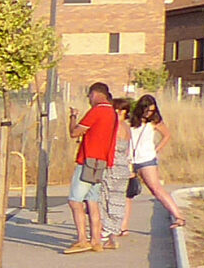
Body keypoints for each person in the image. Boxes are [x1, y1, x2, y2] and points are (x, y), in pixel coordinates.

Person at [66, 80, 122, 253]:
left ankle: (82, 239)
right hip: (102, 161)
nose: (89, 100)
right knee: (92, 200)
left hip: (88, 160)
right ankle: (96, 240)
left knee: (75, 201)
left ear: (95, 94)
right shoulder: (112, 113)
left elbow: (74, 132)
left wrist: (73, 117)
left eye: (89, 96)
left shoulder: (97, 111)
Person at [120, 95, 188, 235]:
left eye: (151, 111)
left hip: (146, 159)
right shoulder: (130, 120)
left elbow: (167, 135)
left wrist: (156, 150)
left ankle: (178, 216)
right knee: (127, 193)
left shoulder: (155, 121)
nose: (148, 113)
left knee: (155, 188)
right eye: (147, 110)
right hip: (129, 159)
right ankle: (123, 227)